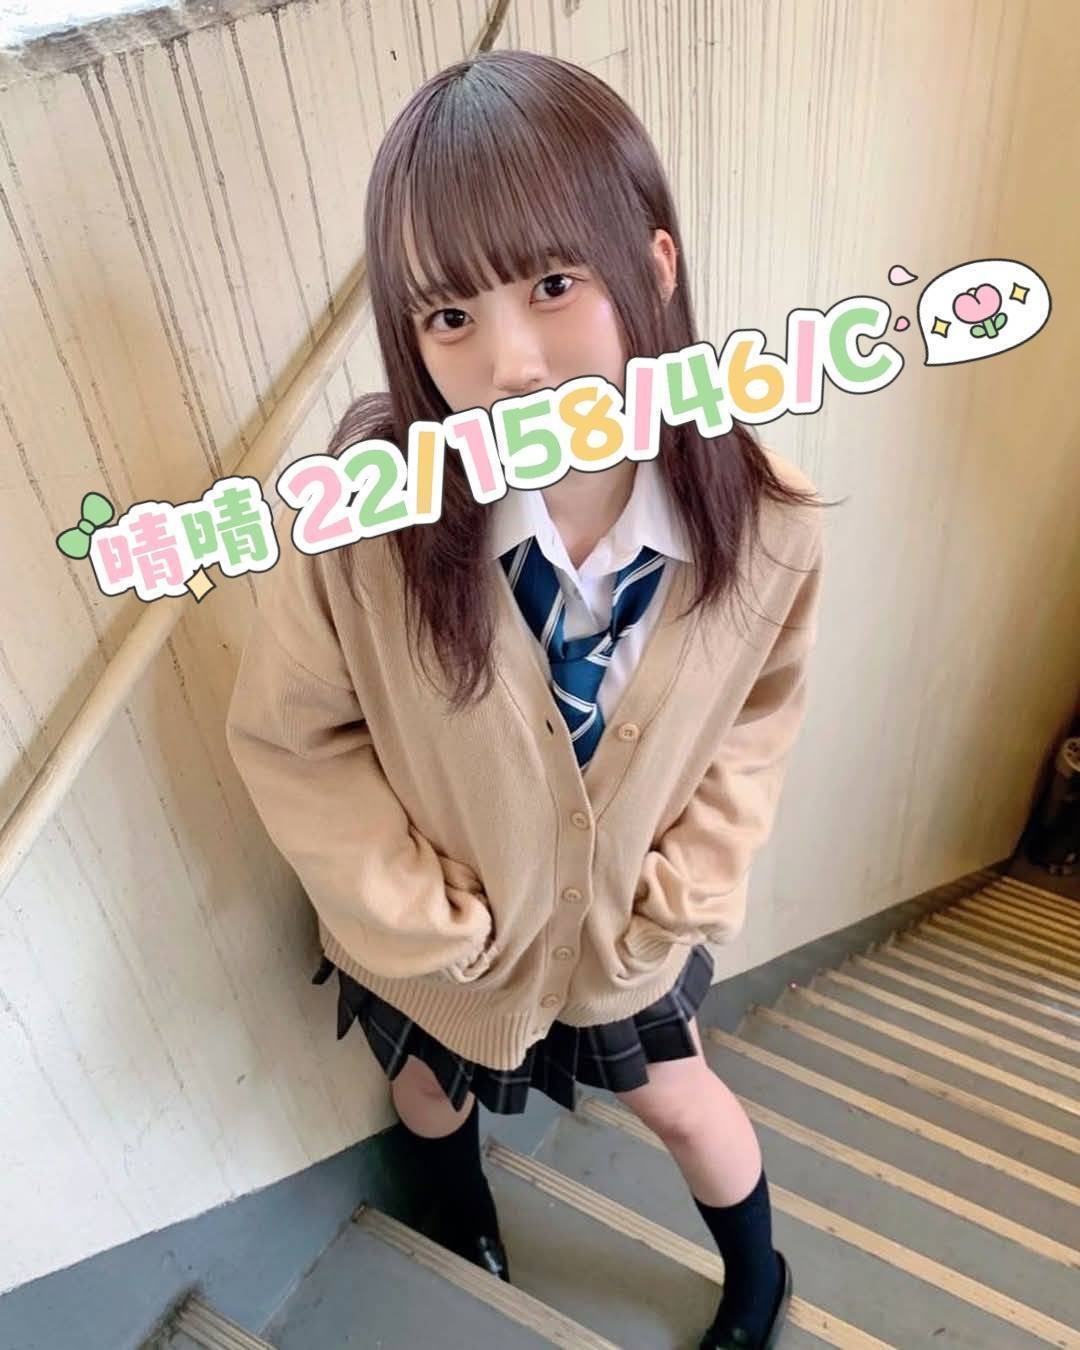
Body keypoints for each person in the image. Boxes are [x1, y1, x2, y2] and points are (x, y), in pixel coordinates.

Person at [226, 48, 835, 1350]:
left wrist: (683, 887)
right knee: (427, 1083)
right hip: (447, 933)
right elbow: (296, 736)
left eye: (555, 285)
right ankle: (462, 1227)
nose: (509, 362)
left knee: (687, 1105)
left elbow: (760, 713)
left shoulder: (764, 516)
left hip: (624, 926)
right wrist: (425, 922)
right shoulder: (370, 519)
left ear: (653, 267)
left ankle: (759, 1279)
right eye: (449, 316)